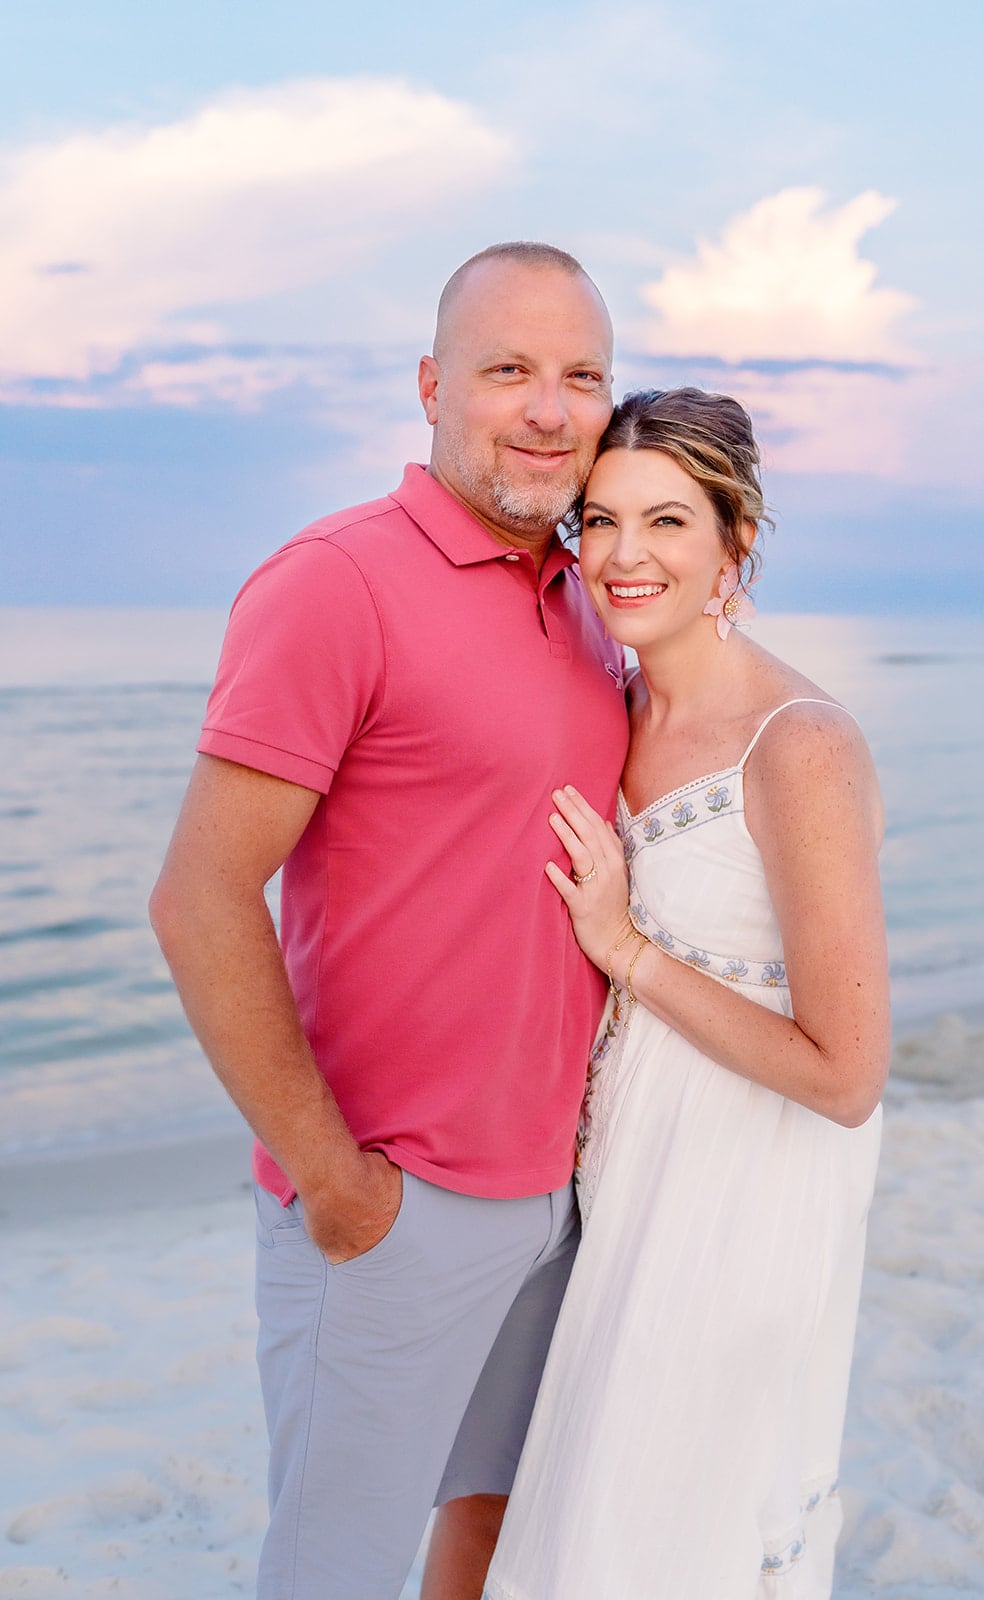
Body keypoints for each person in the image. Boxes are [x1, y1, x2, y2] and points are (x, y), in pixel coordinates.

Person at [149, 241, 630, 1600]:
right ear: (430, 386)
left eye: (581, 375)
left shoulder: (591, 603)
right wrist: (335, 1180)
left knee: (491, 1540)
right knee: (335, 1573)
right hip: (389, 1208)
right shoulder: (334, 582)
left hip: (558, 1201)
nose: (548, 409)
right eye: (507, 369)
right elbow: (198, 897)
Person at [484, 387, 889, 1600]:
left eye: (666, 521)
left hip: (741, 1185)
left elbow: (846, 1075)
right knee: (590, 1509)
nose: (624, 554)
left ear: (733, 546)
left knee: (659, 1529)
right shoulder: (607, 710)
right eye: (600, 520)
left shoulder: (798, 745)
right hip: (622, 1165)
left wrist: (628, 950)